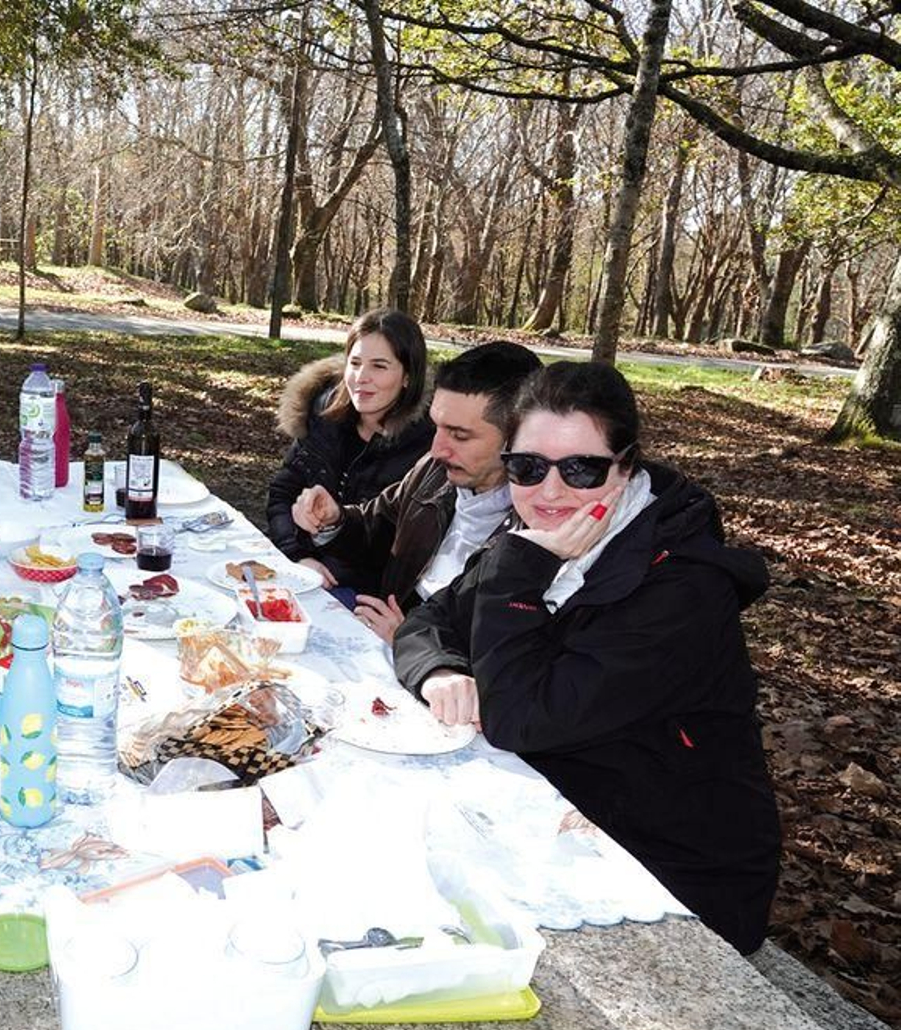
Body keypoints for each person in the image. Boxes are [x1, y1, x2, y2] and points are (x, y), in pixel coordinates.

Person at [392, 361, 782, 954]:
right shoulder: (543, 536)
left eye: (581, 468)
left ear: (626, 466)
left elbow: (521, 717)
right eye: (527, 467)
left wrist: (518, 578)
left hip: (674, 874)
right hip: (560, 810)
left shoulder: (681, 589)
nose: (550, 491)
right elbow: (428, 620)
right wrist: (442, 669)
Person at [292, 341, 542, 640]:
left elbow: (506, 661)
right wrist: (335, 520)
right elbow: (378, 525)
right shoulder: (436, 472)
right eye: (437, 426)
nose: (437, 449)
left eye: (460, 435)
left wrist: (408, 641)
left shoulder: (542, 528)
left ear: (519, 439)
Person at [266, 309, 434, 599]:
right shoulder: (323, 414)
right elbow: (282, 492)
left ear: (408, 376)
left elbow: (401, 549)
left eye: (379, 366)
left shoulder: (425, 446)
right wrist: (296, 556)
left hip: (365, 593)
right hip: (299, 568)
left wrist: (332, 529)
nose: (361, 378)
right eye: (355, 363)